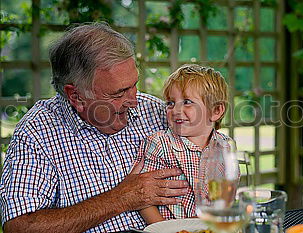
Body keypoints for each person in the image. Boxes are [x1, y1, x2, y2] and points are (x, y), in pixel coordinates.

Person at [0, 22, 189, 233]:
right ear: (76, 96)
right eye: (118, 93)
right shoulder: (37, 131)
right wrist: (121, 198)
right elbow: (20, 227)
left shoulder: (155, 111)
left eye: (134, 84)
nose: (134, 100)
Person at [137, 64, 233, 224]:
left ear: (216, 111)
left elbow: (226, 196)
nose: (176, 110)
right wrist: (164, 229)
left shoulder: (224, 146)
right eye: (170, 103)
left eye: (187, 102)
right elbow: (143, 200)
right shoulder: (160, 144)